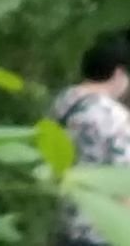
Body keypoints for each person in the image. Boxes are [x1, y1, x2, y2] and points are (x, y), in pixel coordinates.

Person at [50, 33, 130, 246]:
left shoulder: (64, 102)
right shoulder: (114, 116)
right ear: (119, 73)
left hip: (66, 222)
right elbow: (125, 180)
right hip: (101, 231)